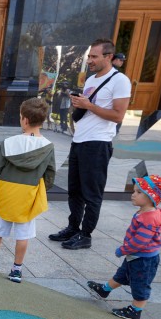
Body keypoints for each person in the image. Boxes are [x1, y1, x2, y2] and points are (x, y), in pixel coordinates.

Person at [48, 38, 131, 250]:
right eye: (89, 56)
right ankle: (73, 227)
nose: (89, 60)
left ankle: (86, 235)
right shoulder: (92, 79)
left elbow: (118, 116)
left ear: (108, 57)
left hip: (98, 143)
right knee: (74, 190)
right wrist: (79, 103)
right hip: (79, 141)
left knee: (91, 193)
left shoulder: (120, 81)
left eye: (94, 56)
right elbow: (87, 108)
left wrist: (89, 105)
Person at [0, 97, 56, 283]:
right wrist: (42, 187)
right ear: (42, 120)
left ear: (24, 119)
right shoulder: (48, 147)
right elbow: (50, 174)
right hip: (28, 194)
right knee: (23, 234)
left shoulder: (9, 142)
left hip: (8, 190)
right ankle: (16, 269)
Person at [86, 175, 161, 319]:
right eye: (134, 191)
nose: (133, 194)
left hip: (144, 259)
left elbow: (140, 242)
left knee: (140, 284)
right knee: (122, 275)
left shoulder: (149, 217)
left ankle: (135, 311)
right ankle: (105, 290)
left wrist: (123, 250)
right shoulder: (145, 212)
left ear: (151, 197)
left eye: (139, 192)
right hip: (136, 256)